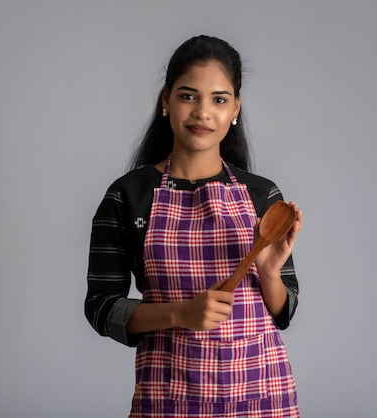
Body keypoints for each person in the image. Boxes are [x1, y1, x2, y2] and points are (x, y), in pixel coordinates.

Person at [85, 35, 303, 417]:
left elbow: (284, 312)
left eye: (219, 99)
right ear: (165, 101)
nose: (203, 112)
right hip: (169, 397)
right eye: (189, 96)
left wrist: (269, 274)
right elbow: (102, 308)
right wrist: (179, 314)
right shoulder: (128, 196)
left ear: (235, 108)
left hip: (261, 397)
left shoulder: (262, 195)